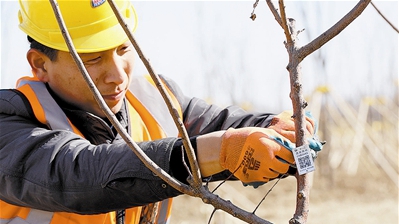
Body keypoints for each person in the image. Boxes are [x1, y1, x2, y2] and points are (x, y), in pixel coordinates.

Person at [0, 1, 322, 224]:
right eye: (93, 59)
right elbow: (82, 174)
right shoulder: (10, 124)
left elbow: (220, 125)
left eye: (124, 49)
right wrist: (220, 151)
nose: (118, 75)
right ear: (40, 64)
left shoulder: (155, 101)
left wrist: (276, 131)